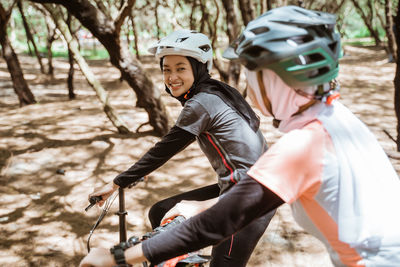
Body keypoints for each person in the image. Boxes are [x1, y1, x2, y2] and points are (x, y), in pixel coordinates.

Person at [80, 6, 400, 267]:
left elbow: (214, 225)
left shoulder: (302, 145)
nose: (247, 82)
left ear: (275, 77)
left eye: (250, 71)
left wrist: (114, 257)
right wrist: (202, 206)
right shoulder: (337, 118)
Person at [85, 29, 275, 267]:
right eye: (167, 69)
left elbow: (163, 150)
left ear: (198, 68)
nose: (172, 76)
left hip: (248, 199)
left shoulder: (201, 102)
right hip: (240, 185)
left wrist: (116, 183)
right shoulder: (216, 90)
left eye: (181, 68)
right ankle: (185, 258)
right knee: (160, 211)